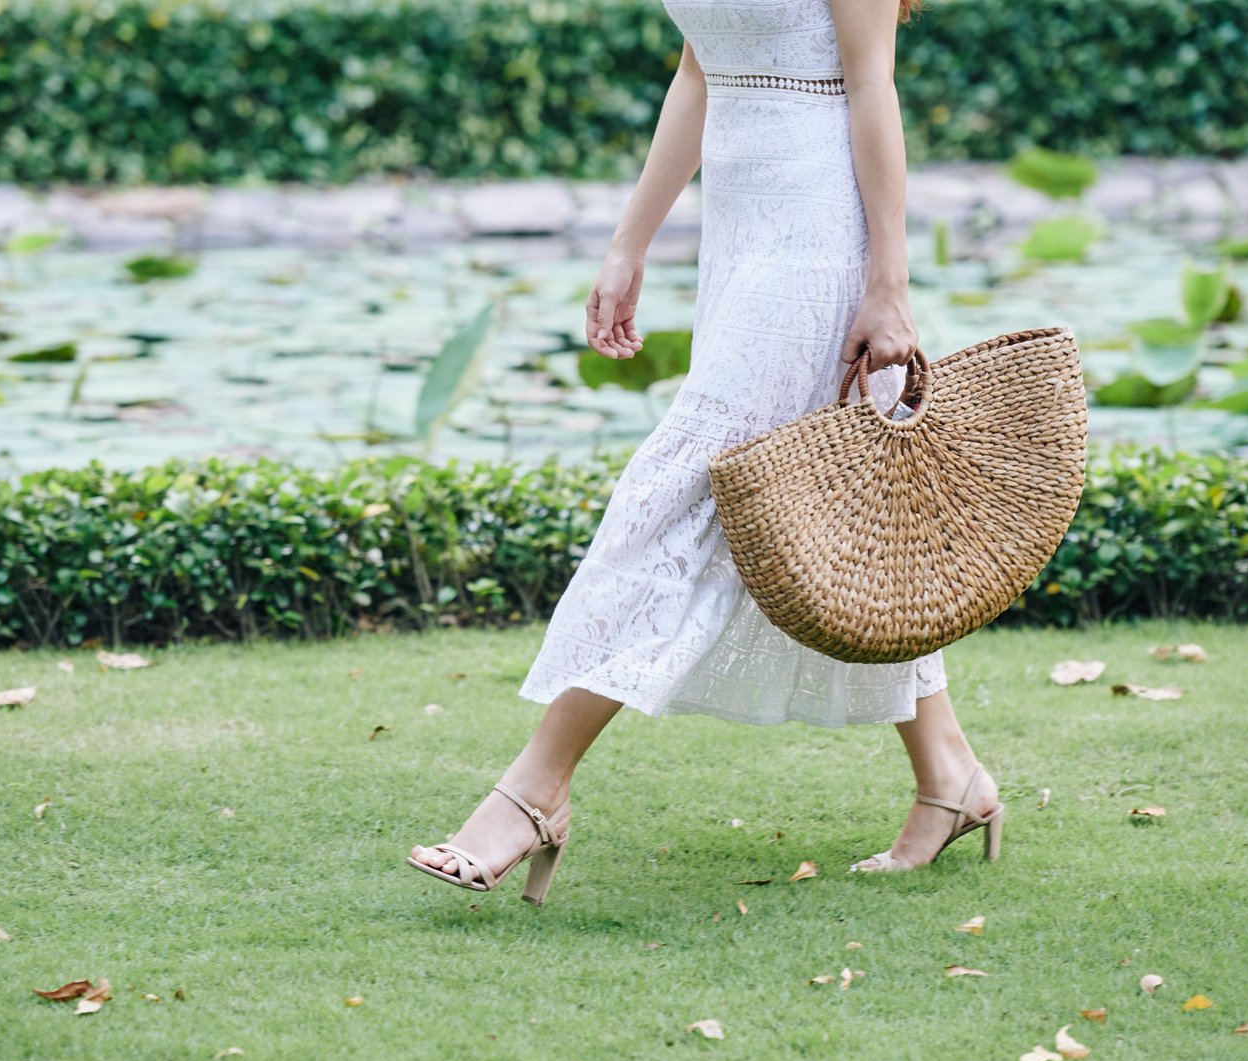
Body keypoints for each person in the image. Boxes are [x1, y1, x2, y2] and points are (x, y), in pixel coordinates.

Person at [407, 0, 1003, 905]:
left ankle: (533, 791)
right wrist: (628, 244)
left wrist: (887, 286)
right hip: (741, 229)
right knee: (837, 522)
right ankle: (952, 774)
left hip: (815, 235)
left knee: (683, 489)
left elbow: (872, 85)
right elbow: (697, 71)